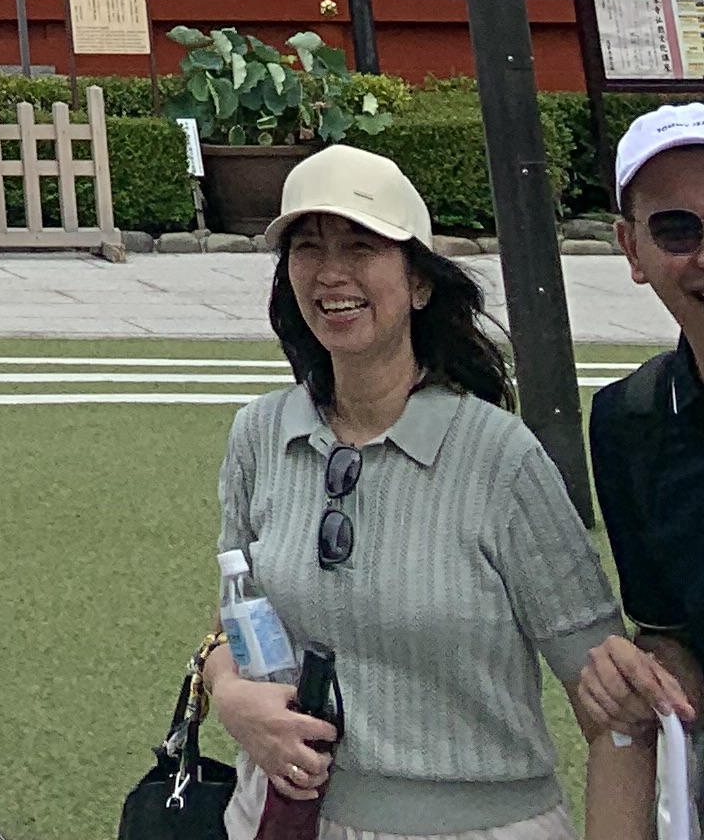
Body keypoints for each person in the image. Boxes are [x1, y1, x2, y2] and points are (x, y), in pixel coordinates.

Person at [202, 143, 684, 840]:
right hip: (280, 822)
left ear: (420, 282)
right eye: (307, 247)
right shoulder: (260, 435)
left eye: (361, 246)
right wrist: (227, 691)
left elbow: (610, 702)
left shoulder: (500, 459)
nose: (331, 272)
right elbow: (234, 617)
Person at [585, 104, 704, 826]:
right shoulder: (629, 420)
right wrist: (645, 672)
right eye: (678, 230)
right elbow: (668, 626)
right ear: (631, 249)